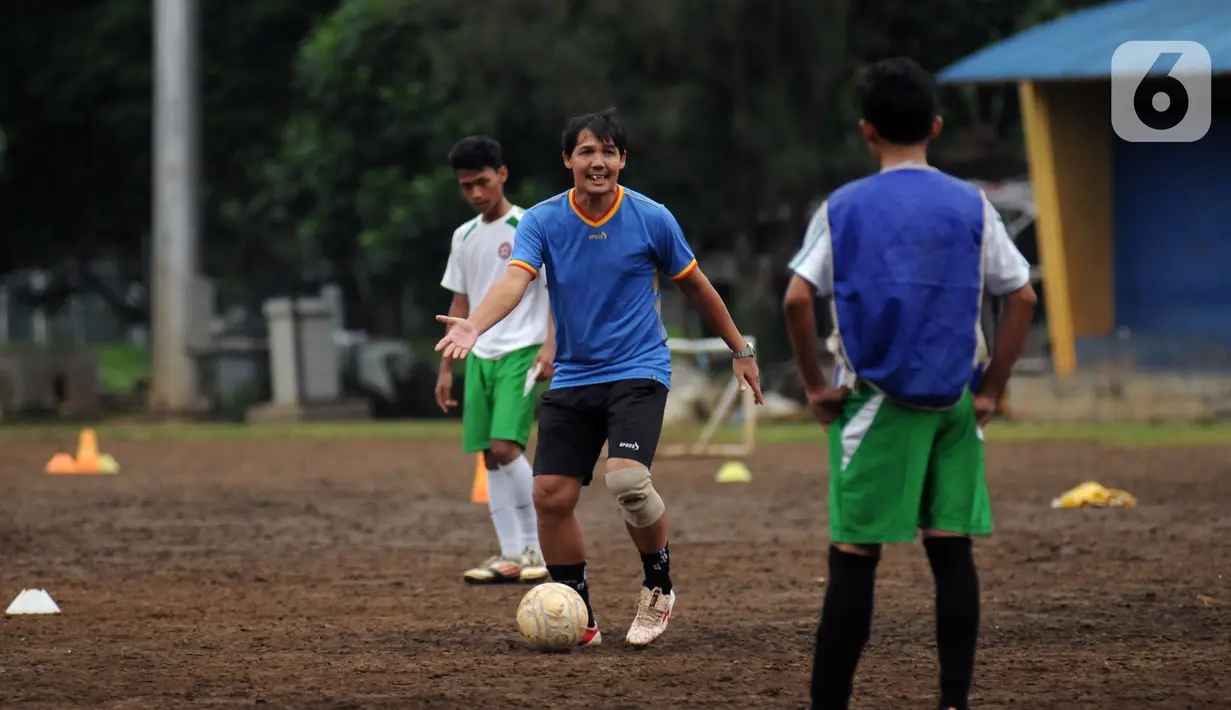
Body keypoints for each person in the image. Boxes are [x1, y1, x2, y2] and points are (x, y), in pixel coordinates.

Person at [435, 108, 764, 647]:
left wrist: (740, 348)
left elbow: (698, 287)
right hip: (574, 374)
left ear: (622, 160)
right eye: (586, 152)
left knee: (629, 482)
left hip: (639, 368)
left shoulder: (651, 217)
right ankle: (577, 611)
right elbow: (515, 282)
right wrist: (474, 324)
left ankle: (658, 586)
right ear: (567, 160)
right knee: (550, 495)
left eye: (608, 152)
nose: (598, 162)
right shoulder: (542, 221)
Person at [781, 58, 1037, 710]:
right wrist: (990, 391)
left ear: (867, 131)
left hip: (877, 405)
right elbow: (1022, 298)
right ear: (936, 125)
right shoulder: (972, 204)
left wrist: (814, 386)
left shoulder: (843, 207)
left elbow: (795, 300)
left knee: (854, 556)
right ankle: (953, 702)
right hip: (953, 403)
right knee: (951, 554)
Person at [437, 135, 555, 586]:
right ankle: (510, 554)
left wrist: (550, 347)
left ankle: (537, 547)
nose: (475, 193)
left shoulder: (530, 225)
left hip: (521, 350)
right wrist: (447, 366)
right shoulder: (463, 236)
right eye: (466, 186)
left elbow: (552, 292)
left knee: (508, 447)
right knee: (489, 456)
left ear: (502, 175)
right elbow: (460, 301)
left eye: (482, 182)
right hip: (478, 354)